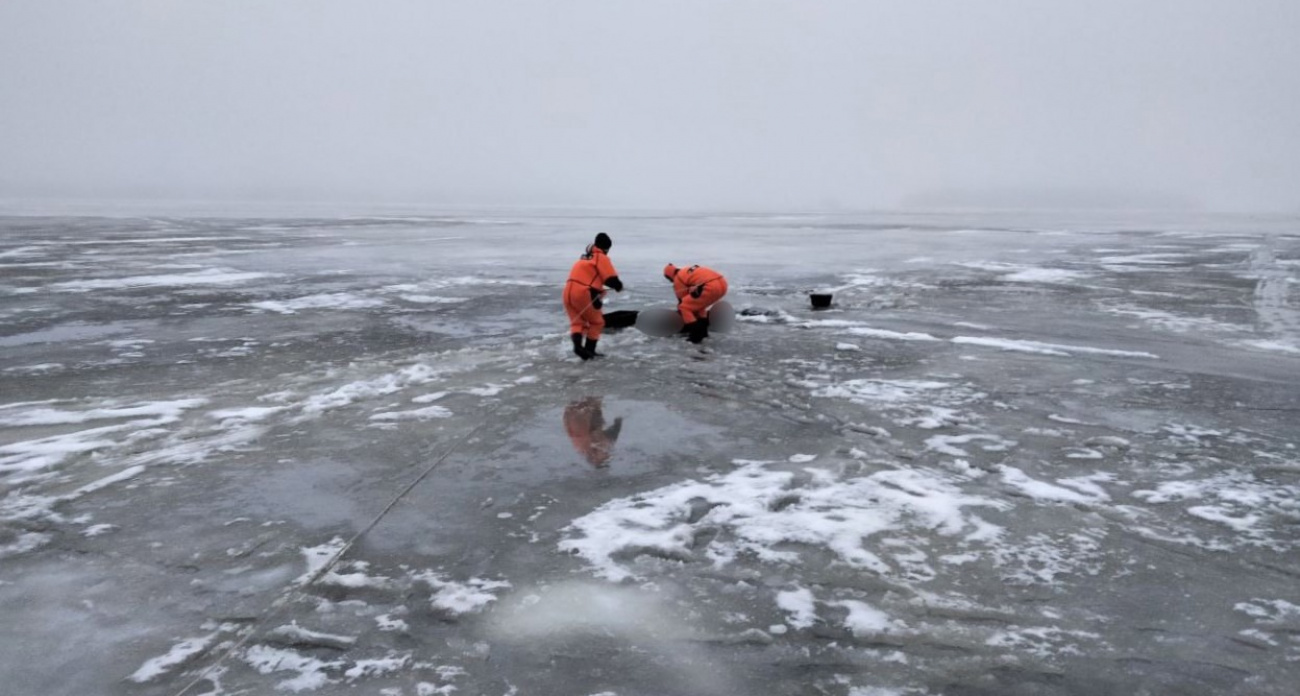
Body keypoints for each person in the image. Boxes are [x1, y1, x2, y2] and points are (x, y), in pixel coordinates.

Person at [563, 233, 623, 360]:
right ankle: (590, 351)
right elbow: (610, 278)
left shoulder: (584, 257)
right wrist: (618, 286)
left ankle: (578, 347)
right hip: (584, 293)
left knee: (577, 321)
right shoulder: (600, 257)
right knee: (597, 322)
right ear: (606, 248)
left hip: (568, 292)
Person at [663, 263, 728, 343]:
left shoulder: (678, 279)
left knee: (684, 307)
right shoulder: (685, 271)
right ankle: (703, 332)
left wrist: (680, 319)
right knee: (699, 306)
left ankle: (695, 335)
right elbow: (693, 301)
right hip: (723, 284)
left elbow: (682, 300)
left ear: (669, 276)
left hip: (709, 286)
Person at [563, 396, 623, 468]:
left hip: (579, 423)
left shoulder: (587, 446)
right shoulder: (607, 442)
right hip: (584, 425)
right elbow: (615, 427)